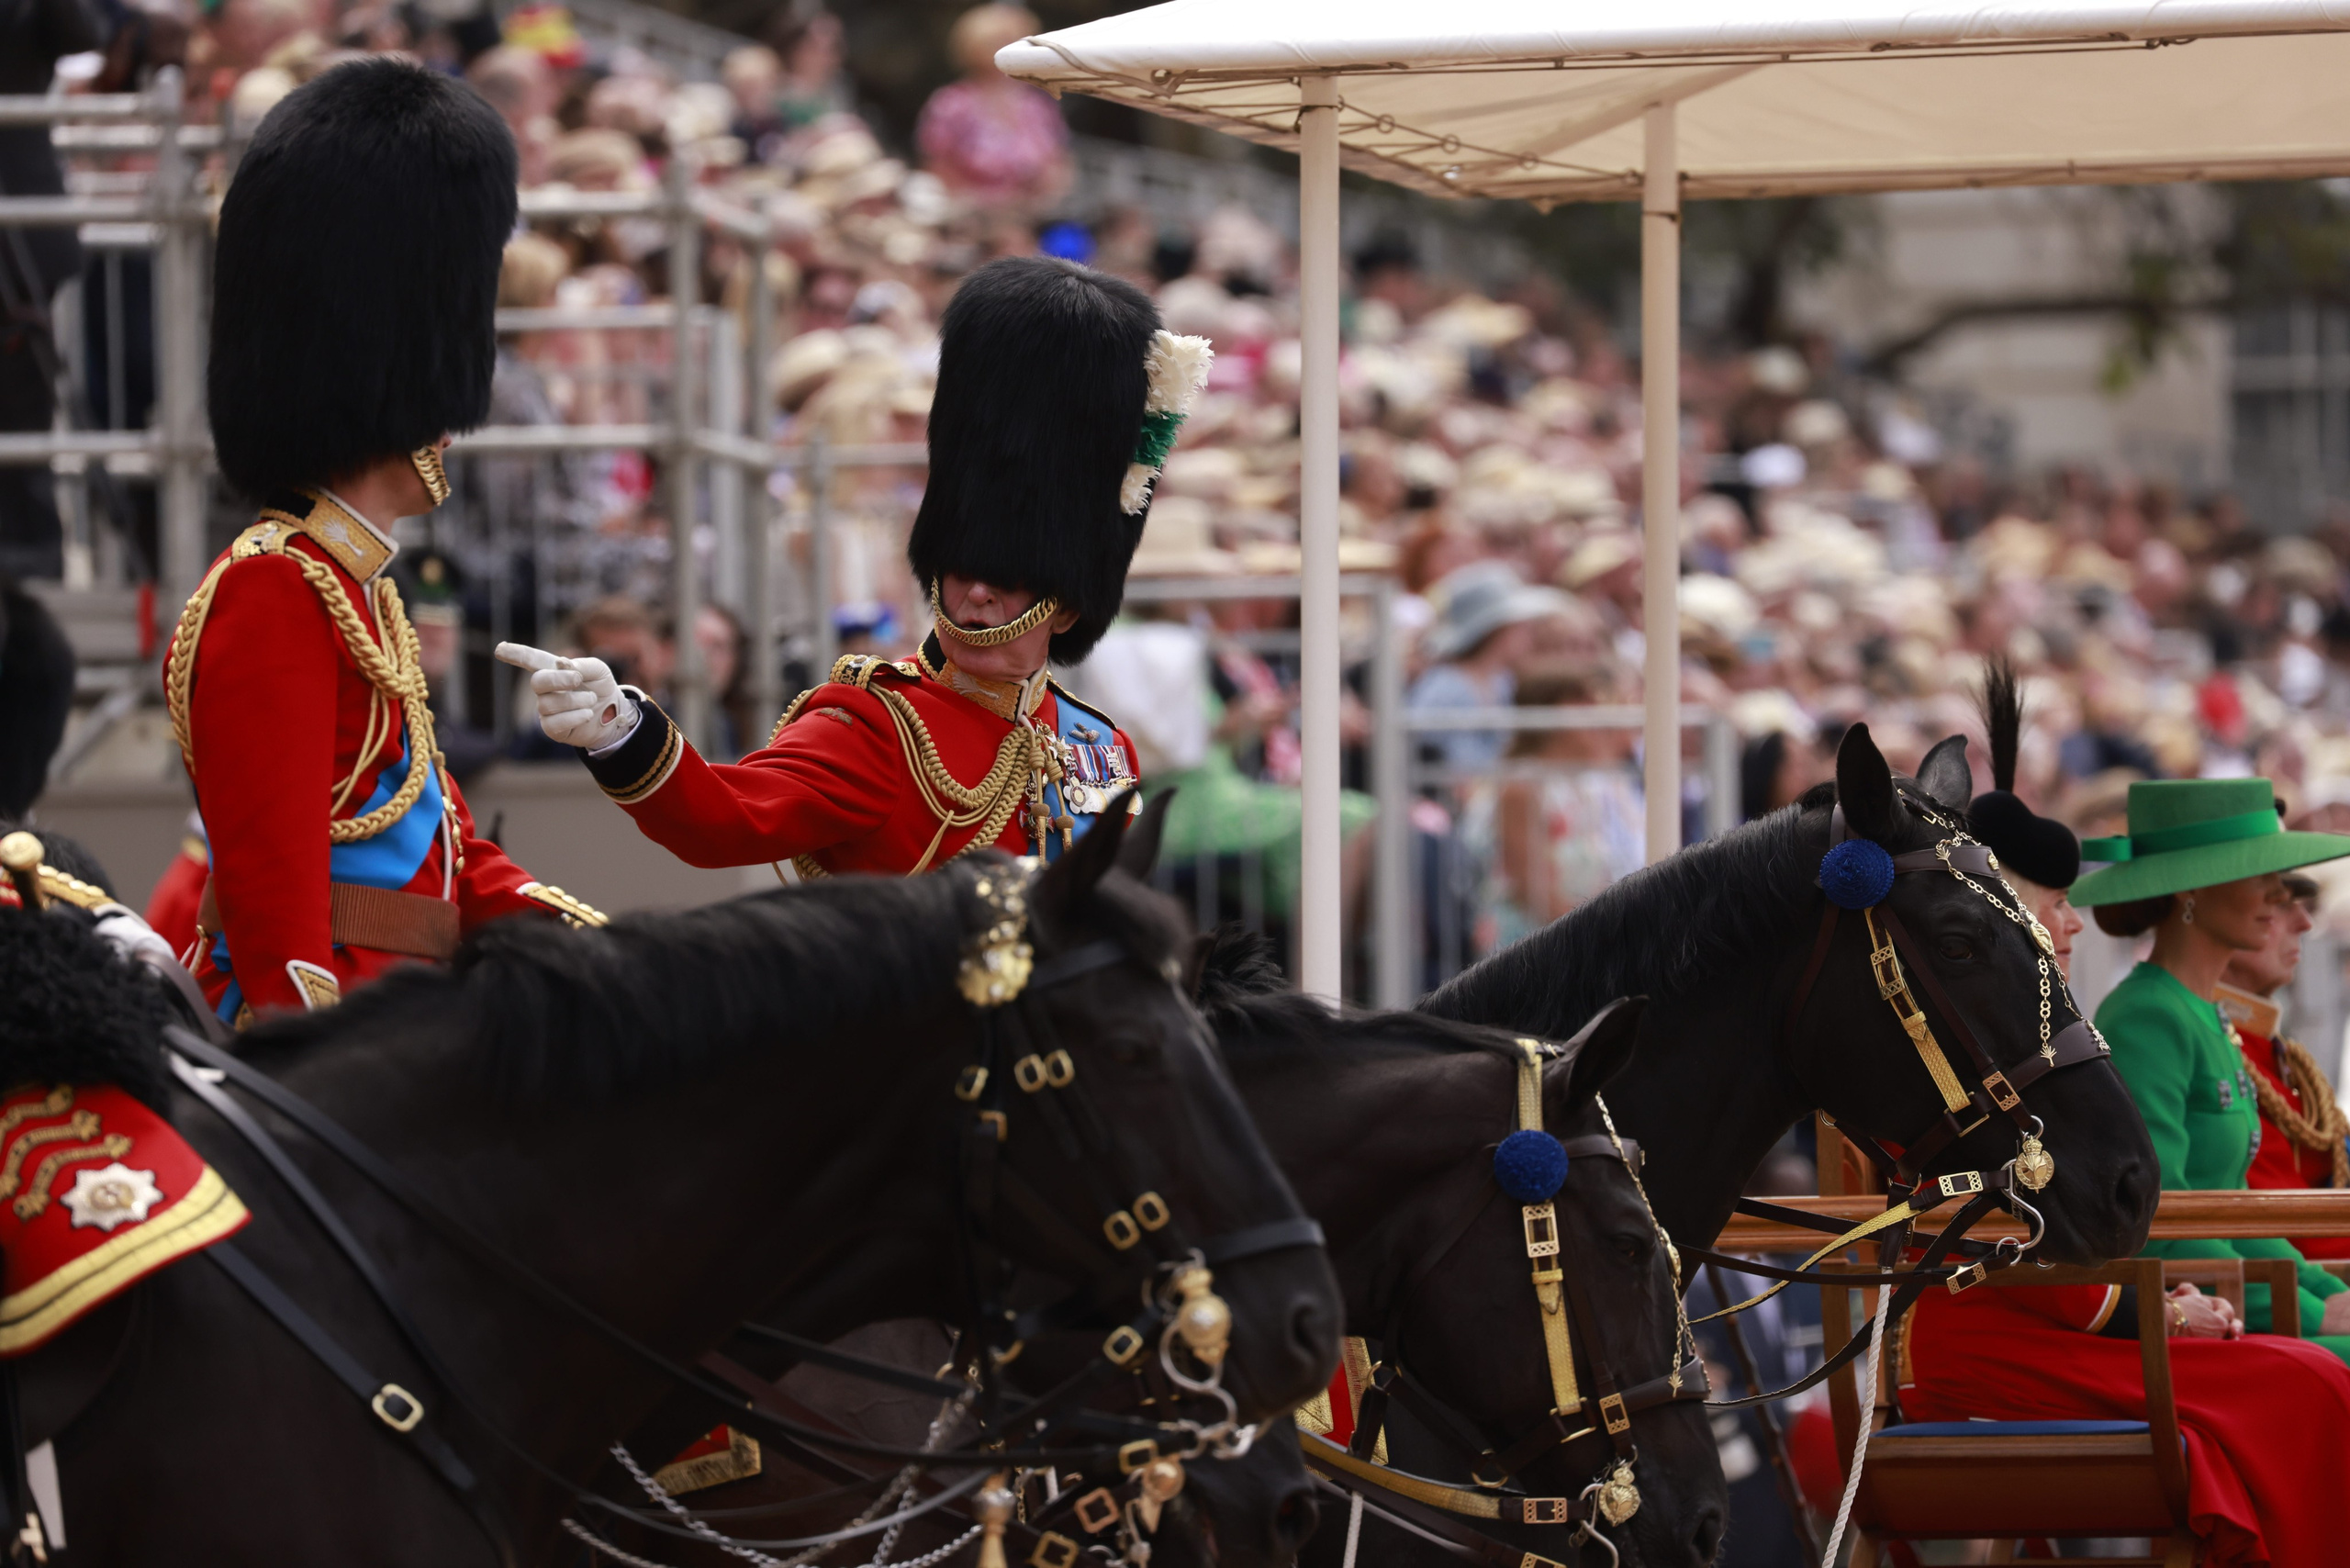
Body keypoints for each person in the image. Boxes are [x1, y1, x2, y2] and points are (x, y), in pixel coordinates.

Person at [502, 256, 1213, 878]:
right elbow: (722, 819)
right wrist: (620, 728)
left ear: (1066, 600)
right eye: (961, 565)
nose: (974, 591)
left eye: (1008, 578)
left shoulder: (1097, 744)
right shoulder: (875, 723)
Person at [166, 59, 602, 1027]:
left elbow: (438, 843)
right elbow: (271, 891)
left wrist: (591, 946)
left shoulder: (355, 586)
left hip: (407, 1011)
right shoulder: (274, 586)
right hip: (342, 1041)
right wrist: (313, 1060)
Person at [1892, 762, 2350, 1568]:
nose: (2070, 927)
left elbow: (2190, 1209)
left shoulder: (2026, 1045)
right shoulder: (2011, 1048)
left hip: (2051, 1316)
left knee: (2309, 1375)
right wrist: (2172, 1311)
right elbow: (2142, 1219)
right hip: (2005, 1333)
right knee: (2311, 1381)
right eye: (2053, 905)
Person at [2068, 778, 2350, 1356]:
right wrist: (2315, 1314)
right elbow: (2162, 1221)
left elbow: (2234, 1207)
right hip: (2194, 1319)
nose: (2278, 896)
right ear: (2191, 890)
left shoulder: (2202, 1013)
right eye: (2259, 873)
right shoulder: (2148, 1015)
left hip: (2232, 1306)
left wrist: (2326, 1293)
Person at [2216, 872, 2350, 1259]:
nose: (2304, 923)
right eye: (2277, 902)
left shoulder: (2268, 1049)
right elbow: (2290, 1229)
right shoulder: (2219, 1045)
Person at [914, 4, 1069, 215]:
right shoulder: (952, 103)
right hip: (968, 219)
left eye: (1018, 41)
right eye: (1000, 42)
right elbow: (937, 167)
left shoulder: (1036, 105)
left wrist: (1046, 193)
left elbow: (1057, 162)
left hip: (1030, 219)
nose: (1012, 49)